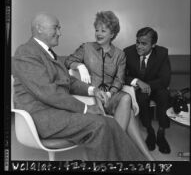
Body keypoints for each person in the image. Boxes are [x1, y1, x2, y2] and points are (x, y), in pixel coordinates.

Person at [12, 12, 148, 161]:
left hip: (58, 111)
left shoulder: (47, 53)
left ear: (112, 34)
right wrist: (86, 108)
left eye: (59, 28)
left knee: (109, 120)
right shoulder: (26, 52)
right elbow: (49, 93)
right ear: (39, 28)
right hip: (42, 118)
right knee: (101, 124)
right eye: (56, 28)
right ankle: (135, 162)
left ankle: (131, 162)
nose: (60, 33)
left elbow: (68, 81)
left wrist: (93, 90)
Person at [65, 11, 154, 161]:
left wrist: (110, 94)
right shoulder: (86, 48)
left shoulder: (120, 54)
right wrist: (80, 66)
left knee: (125, 98)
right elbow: (68, 61)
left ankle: (111, 150)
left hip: (111, 97)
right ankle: (149, 159)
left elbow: (119, 80)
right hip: (92, 98)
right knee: (130, 113)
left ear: (112, 34)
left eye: (103, 30)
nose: (98, 34)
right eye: (97, 30)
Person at [124, 27, 171, 154]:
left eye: (144, 44)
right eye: (137, 42)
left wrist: (147, 85)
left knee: (164, 95)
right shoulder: (128, 52)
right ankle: (150, 131)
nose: (139, 46)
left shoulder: (162, 53)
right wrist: (138, 82)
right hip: (139, 89)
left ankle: (161, 133)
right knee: (142, 97)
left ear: (153, 45)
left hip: (156, 87)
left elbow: (165, 79)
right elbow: (122, 75)